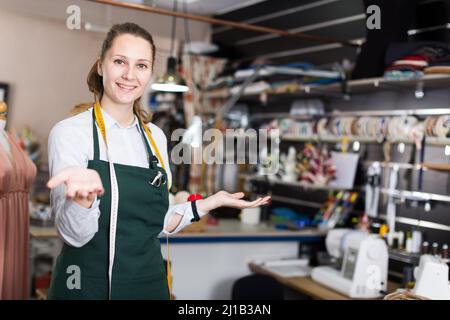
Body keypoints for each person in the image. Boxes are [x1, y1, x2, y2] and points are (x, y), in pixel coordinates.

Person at [46, 22, 270, 300]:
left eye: (141, 65)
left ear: (151, 73)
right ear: (101, 66)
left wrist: (208, 203)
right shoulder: (70, 133)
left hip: (149, 286)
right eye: (119, 61)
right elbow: (74, 237)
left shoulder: (155, 138)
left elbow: (158, 221)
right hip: (85, 287)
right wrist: (83, 200)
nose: (129, 74)